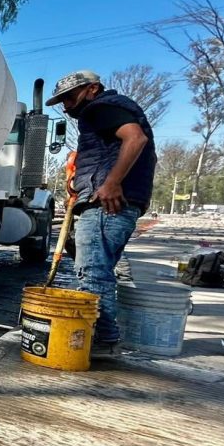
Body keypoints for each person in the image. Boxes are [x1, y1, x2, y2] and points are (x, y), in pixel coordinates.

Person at [46, 70, 155, 356]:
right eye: (62, 101)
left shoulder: (100, 108)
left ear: (92, 89)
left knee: (92, 273)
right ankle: (101, 339)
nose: (66, 106)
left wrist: (111, 183)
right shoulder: (111, 109)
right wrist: (81, 186)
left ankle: (99, 342)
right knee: (99, 271)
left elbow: (135, 139)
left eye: (70, 97)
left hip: (106, 205)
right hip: (111, 203)